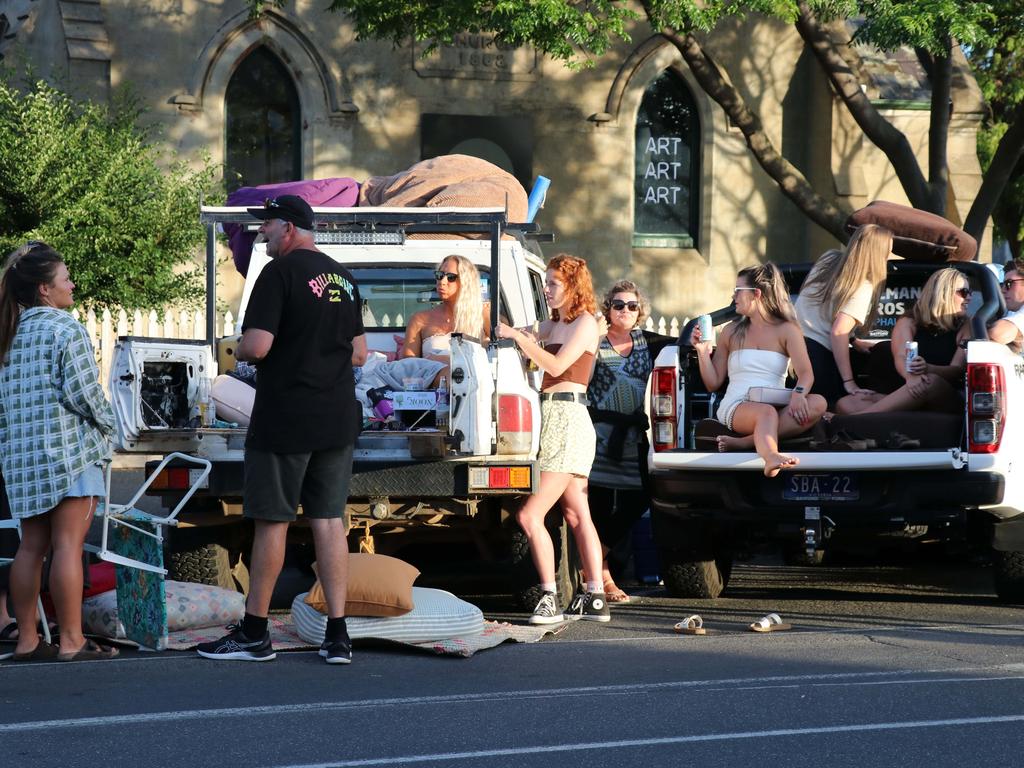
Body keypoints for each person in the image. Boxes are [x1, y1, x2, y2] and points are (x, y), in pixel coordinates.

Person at [197, 195, 368, 664]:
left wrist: (243, 349)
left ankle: (254, 633)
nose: (261, 233)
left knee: (272, 522)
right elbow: (360, 353)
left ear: (289, 227)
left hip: (286, 416)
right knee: (329, 521)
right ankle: (337, 635)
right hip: (335, 419)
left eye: (267, 225)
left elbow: (256, 346)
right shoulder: (344, 277)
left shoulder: (279, 274)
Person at [0, 241, 118, 661]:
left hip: (23, 458)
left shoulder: (10, 332)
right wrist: (112, 429)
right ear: (45, 289)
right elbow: (84, 394)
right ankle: (72, 640)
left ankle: (29, 640)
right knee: (68, 546)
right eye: (65, 277)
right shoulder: (64, 328)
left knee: (30, 547)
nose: (72, 284)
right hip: (69, 454)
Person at [497, 254, 608, 624]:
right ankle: (594, 595)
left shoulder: (585, 324)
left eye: (553, 283)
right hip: (554, 416)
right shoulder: (555, 324)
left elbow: (557, 367)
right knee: (577, 513)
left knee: (530, 515)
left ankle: (549, 597)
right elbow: (525, 332)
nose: (546, 289)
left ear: (573, 286)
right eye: (546, 282)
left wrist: (517, 337)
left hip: (568, 417)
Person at [694, 263, 827, 477]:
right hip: (737, 405)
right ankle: (771, 456)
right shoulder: (730, 331)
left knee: (819, 402)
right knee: (766, 413)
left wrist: (798, 394)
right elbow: (713, 382)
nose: (734, 296)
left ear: (756, 293)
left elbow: (805, 374)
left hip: (775, 404)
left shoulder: (787, 330)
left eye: (738, 290)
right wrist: (702, 351)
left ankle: (746, 442)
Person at [587, 280, 671, 604]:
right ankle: (602, 576)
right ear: (608, 308)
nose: (625, 310)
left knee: (639, 501)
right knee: (595, 508)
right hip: (598, 436)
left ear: (640, 312)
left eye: (631, 306)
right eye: (618, 304)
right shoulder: (594, 342)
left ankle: (591, 561)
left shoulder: (648, 344)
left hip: (633, 435)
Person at [794, 223, 893, 413]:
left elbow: (822, 312)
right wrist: (849, 382)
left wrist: (853, 340)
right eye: (888, 250)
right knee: (828, 415)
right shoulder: (863, 286)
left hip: (793, 348)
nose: (889, 255)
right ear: (878, 253)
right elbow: (838, 330)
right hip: (818, 358)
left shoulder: (828, 259)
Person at [843, 268, 970, 415]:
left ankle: (856, 419)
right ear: (944, 293)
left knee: (930, 381)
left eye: (970, 292)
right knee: (847, 403)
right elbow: (901, 356)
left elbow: (957, 370)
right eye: (964, 292)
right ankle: (890, 411)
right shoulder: (909, 320)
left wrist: (927, 368)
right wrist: (911, 377)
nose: (969, 298)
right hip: (910, 390)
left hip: (945, 397)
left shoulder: (967, 325)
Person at [401, 254, 490, 377]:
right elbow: (408, 365)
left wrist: (441, 359)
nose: (442, 282)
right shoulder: (419, 319)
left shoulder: (480, 315)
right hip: (432, 388)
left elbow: (503, 350)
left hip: (475, 386)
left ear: (466, 281)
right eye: (439, 275)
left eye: (451, 277)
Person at [988, 257, 1024, 350]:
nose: (1002, 290)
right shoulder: (1013, 310)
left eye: (1009, 283)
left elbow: (998, 333)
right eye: (1002, 285)